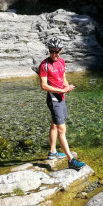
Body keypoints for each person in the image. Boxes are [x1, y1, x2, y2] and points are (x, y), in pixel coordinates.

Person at [39, 37, 86, 170]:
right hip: (54, 100)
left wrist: (67, 87)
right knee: (61, 129)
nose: (54, 54)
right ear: (49, 51)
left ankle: (52, 152)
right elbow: (43, 86)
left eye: (56, 51)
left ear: (61, 51)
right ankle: (71, 160)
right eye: (51, 51)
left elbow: (62, 78)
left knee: (54, 124)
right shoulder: (44, 65)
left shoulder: (62, 62)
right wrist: (61, 90)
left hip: (61, 97)